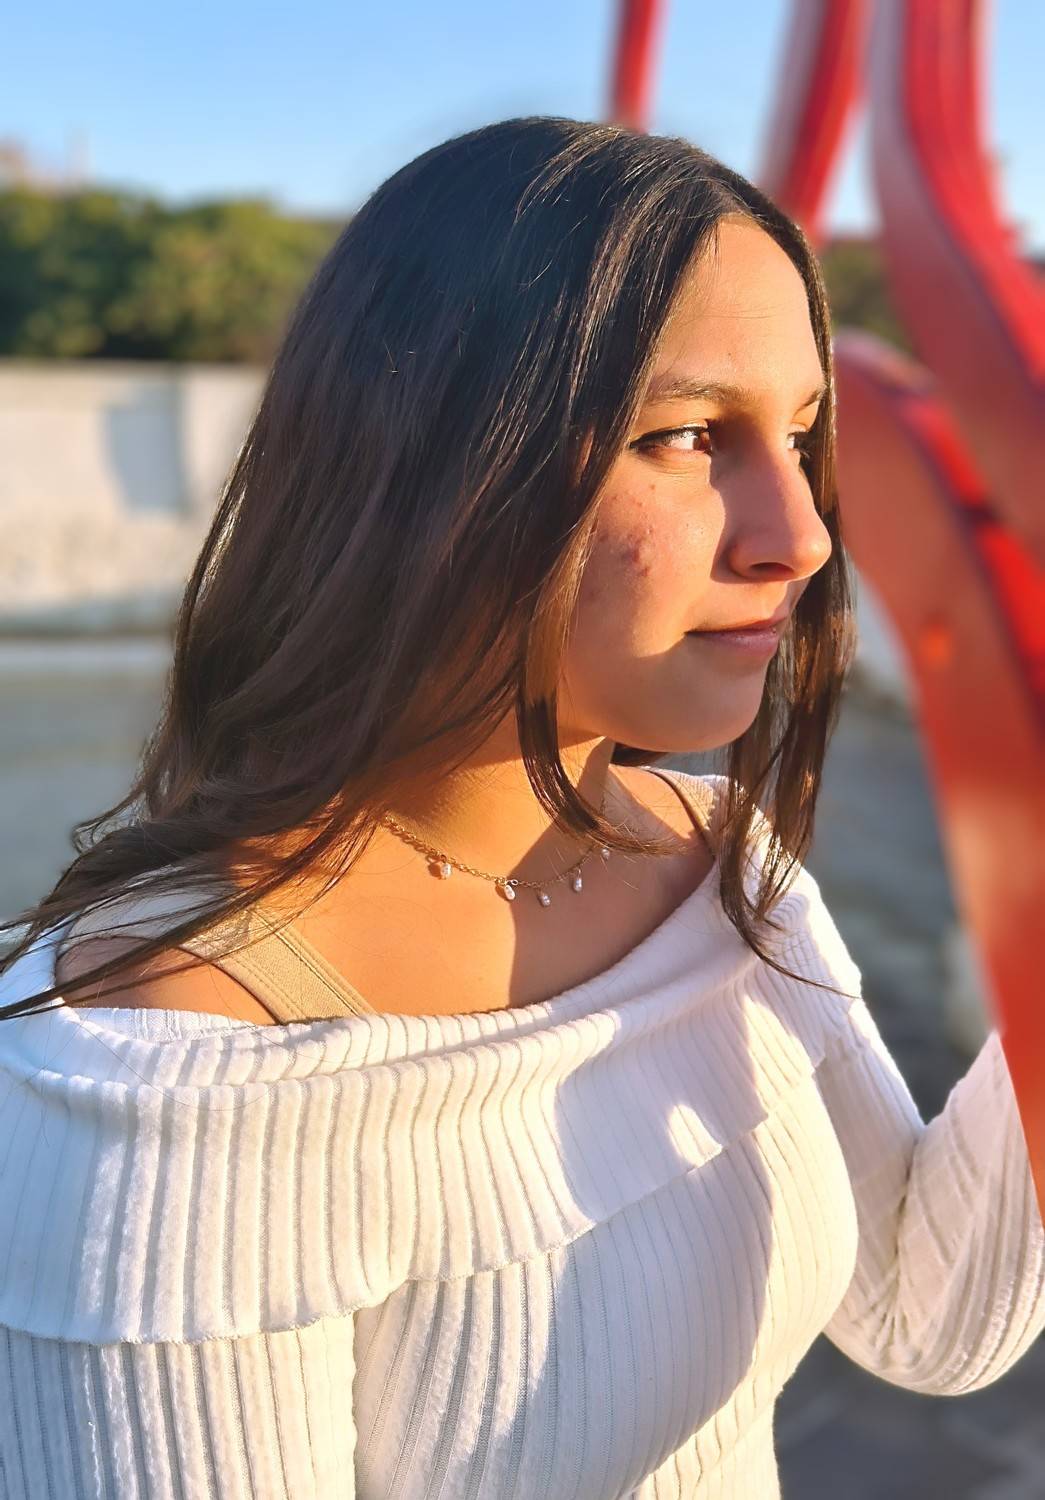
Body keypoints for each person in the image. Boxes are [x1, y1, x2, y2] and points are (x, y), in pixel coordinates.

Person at [0, 115, 1041, 1500]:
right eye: (687, 436)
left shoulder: (719, 859)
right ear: (424, 463)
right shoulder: (165, 1085)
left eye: (801, 435)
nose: (797, 532)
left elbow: (928, 1313)